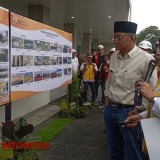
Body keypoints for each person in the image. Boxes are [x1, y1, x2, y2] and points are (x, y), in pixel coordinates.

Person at [104, 21, 157, 160]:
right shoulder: (115, 56)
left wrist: (138, 111)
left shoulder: (146, 59)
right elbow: (110, 80)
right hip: (111, 110)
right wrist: (107, 102)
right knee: (113, 151)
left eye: (118, 37)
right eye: (114, 37)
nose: (115, 41)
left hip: (130, 113)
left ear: (132, 38)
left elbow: (151, 90)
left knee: (131, 154)